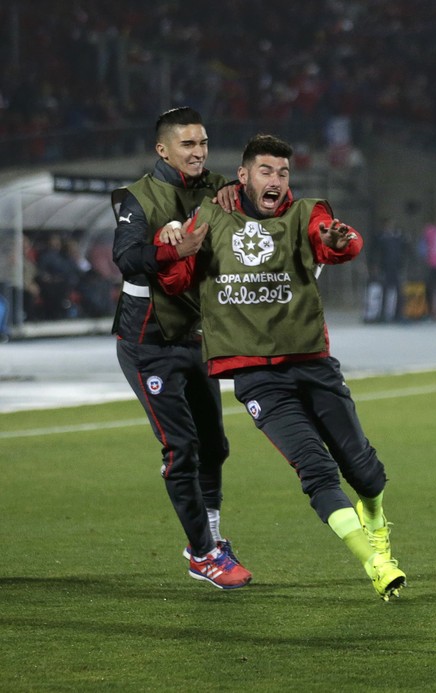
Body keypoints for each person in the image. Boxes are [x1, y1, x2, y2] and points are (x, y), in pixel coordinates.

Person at [155, 133, 405, 601]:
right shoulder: (212, 214)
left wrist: (342, 238)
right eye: (266, 171)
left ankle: (375, 517)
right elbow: (174, 279)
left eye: (283, 172)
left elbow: (339, 244)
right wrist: (172, 245)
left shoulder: (307, 213)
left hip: (312, 364)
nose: (276, 181)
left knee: (365, 472)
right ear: (244, 176)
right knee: (315, 470)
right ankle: (374, 562)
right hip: (256, 376)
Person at [111, 106, 251, 589]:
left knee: (214, 445)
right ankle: (201, 554)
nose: (199, 152)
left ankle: (212, 539)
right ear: (163, 149)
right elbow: (126, 258)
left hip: (195, 336)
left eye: (204, 143)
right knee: (182, 448)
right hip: (148, 341)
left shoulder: (216, 189)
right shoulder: (138, 197)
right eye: (189, 144)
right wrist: (171, 246)